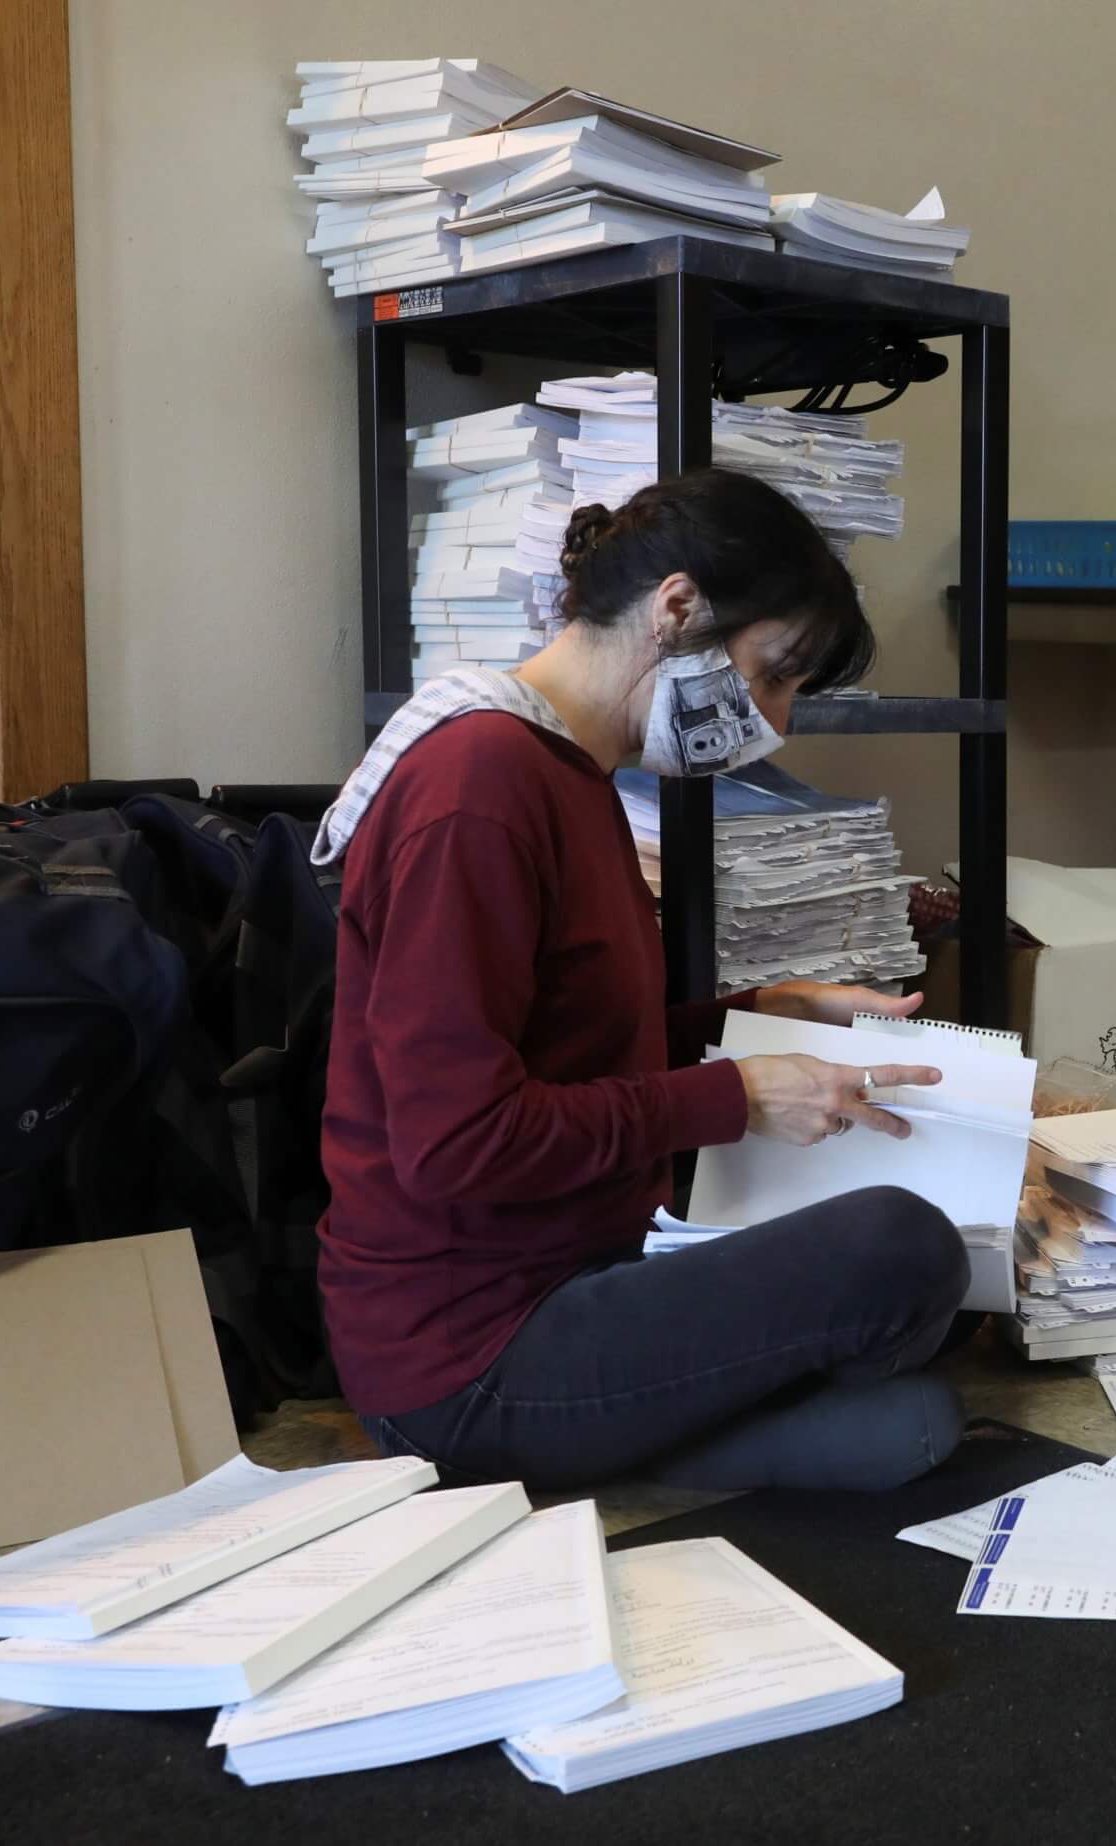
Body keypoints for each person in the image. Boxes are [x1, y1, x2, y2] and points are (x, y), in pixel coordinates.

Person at [314, 469, 970, 1495]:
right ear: (677, 609)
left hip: (584, 1272)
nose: (777, 722)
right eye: (773, 675)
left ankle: (640, 1439)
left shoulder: (571, 774)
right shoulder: (477, 785)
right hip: (471, 1351)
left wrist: (758, 1016)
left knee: (915, 1398)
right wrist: (735, 1095)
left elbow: (573, 1054)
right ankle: (549, 1443)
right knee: (901, 1252)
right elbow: (455, 1143)